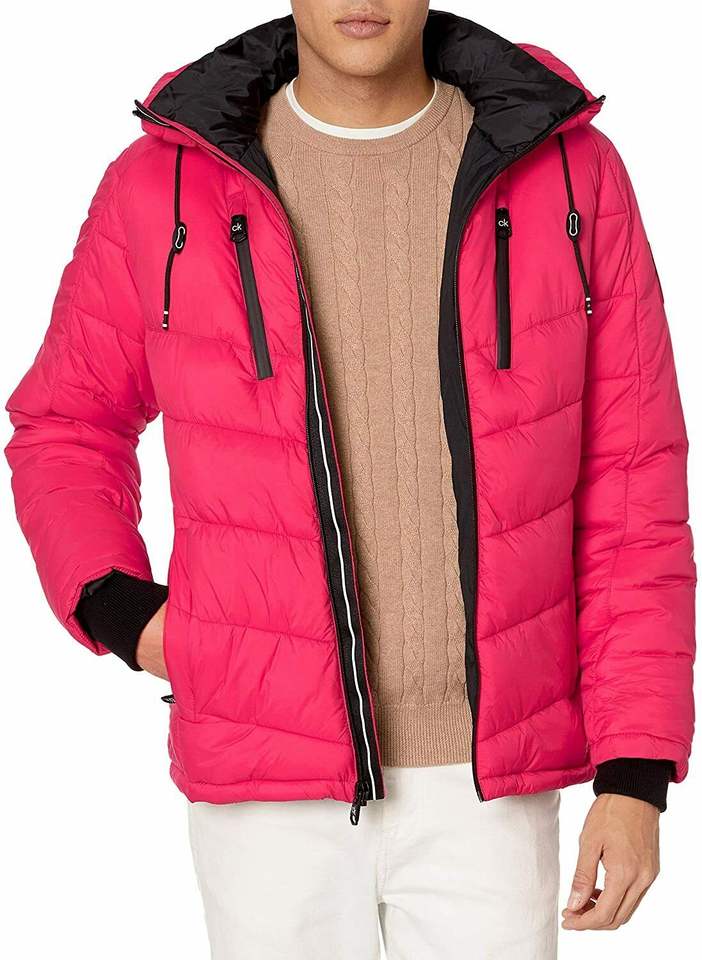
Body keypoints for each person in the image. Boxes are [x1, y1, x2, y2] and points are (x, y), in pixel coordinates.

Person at [6, 3, 695, 958]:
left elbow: (634, 481)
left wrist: (635, 769)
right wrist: (121, 610)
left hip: (490, 782)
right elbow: (66, 423)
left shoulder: (568, 171)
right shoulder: (165, 183)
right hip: (266, 784)